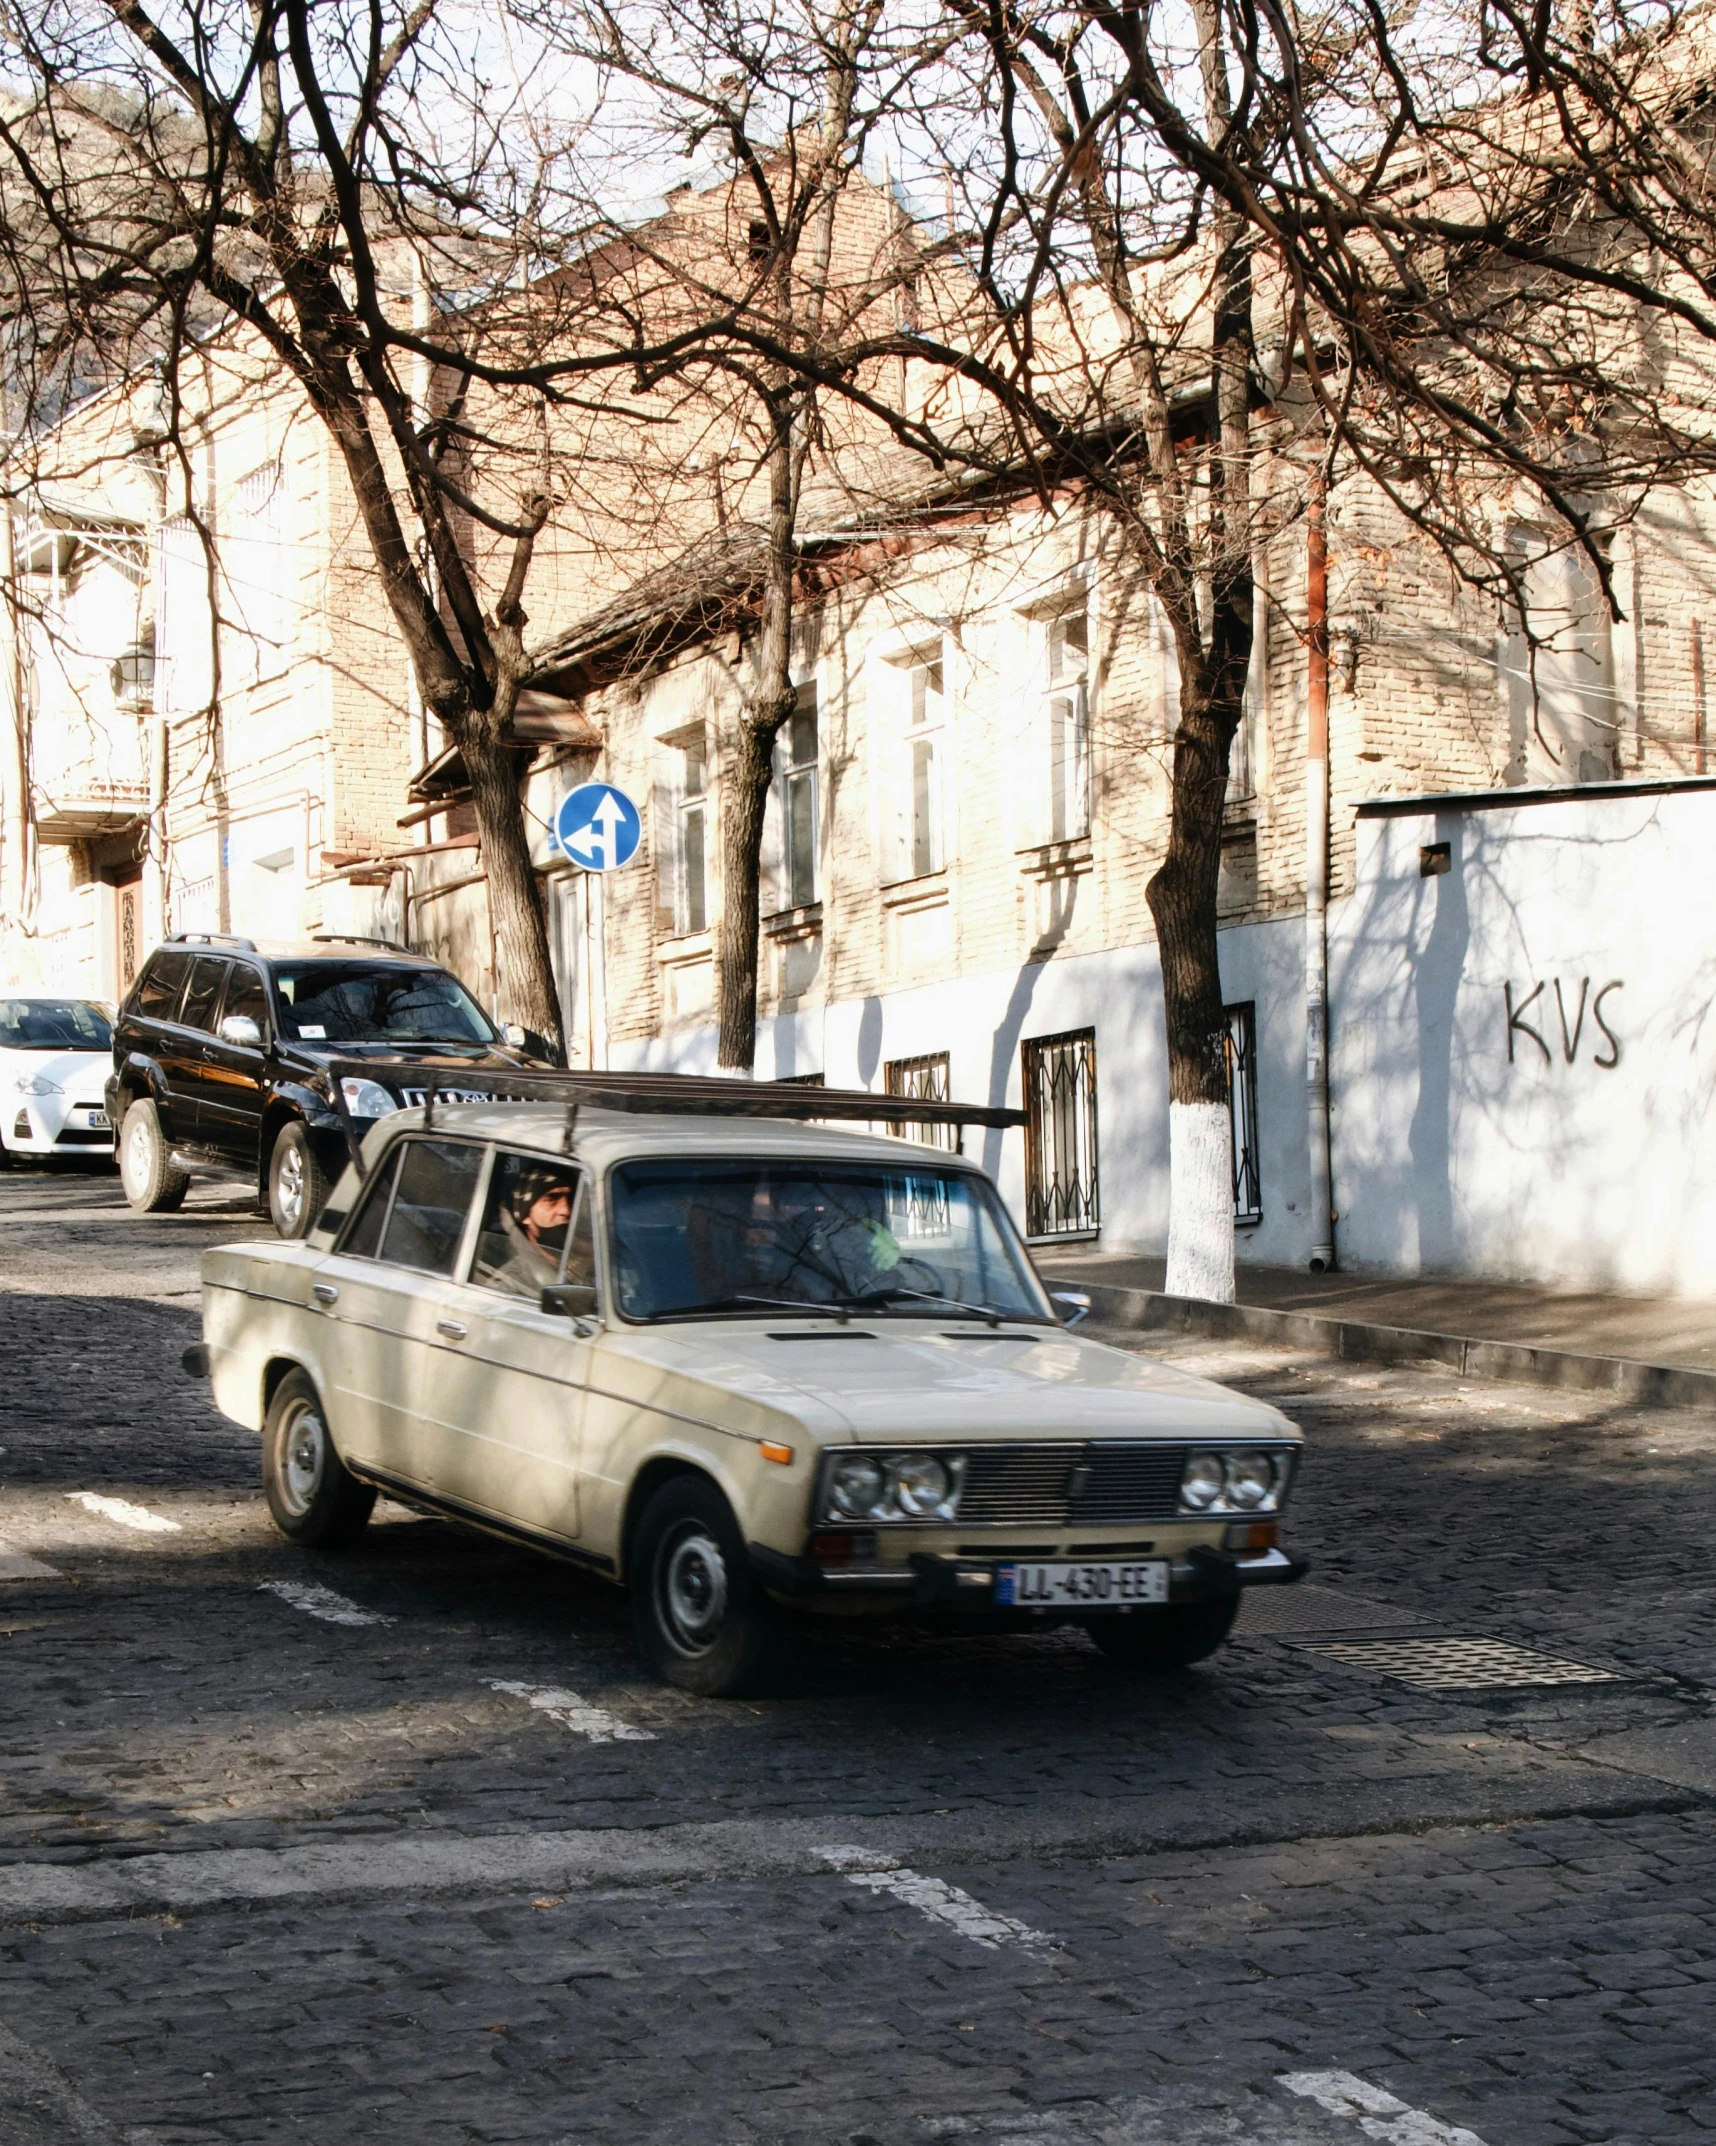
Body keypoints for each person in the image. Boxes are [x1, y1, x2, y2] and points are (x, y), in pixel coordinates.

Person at [475, 1164, 578, 1298]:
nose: (566, 1210)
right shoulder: (510, 1285)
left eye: (570, 1199)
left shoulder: (590, 1262)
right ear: (526, 1216)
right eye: (552, 1199)